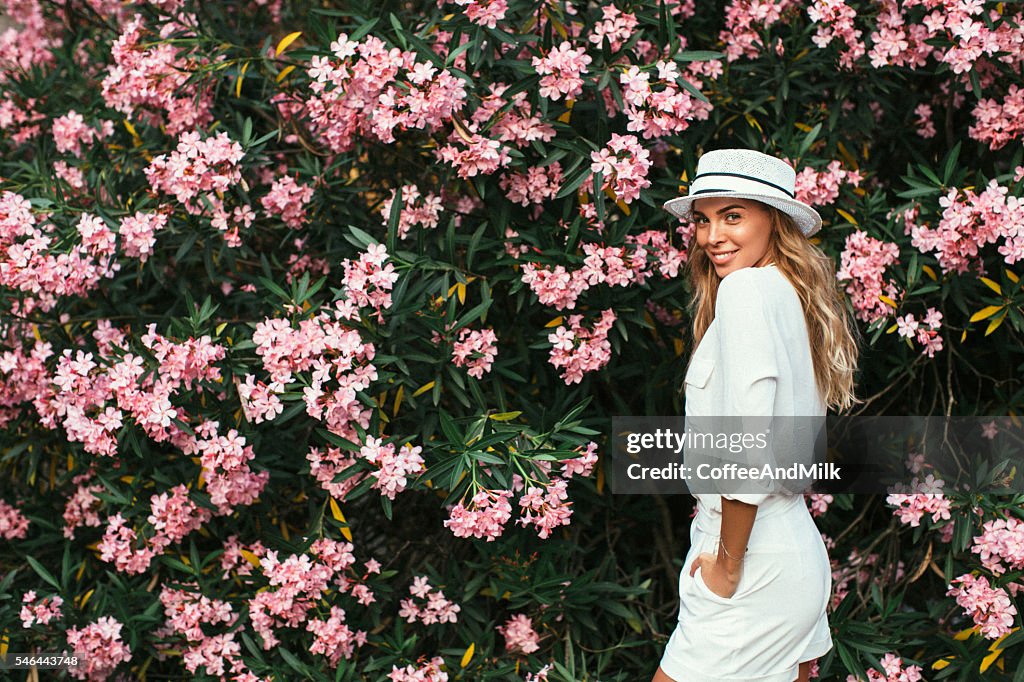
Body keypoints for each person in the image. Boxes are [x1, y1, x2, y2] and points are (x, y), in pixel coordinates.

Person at [651, 149, 860, 682]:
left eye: (733, 215)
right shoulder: (785, 292)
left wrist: (728, 562)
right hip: (786, 546)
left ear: (775, 219)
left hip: (751, 561)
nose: (711, 236)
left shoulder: (745, 292)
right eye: (703, 219)